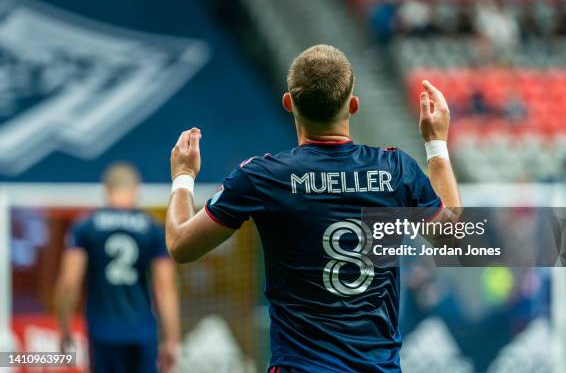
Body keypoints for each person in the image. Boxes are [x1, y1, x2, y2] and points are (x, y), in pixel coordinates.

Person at [165, 45, 461, 372]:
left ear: (289, 104)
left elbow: (180, 245)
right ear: (353, 106)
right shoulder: (394, 169)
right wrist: (436, 144)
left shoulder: (263, 177)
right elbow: (453, 239)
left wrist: (183, 176)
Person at [55, 163, 180, 373]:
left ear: (106, 190)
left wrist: (64, 328)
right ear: (136, 190)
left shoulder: (85, 227)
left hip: (102, 332)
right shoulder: (153, 229)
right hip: (142, 332)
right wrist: (171, 339)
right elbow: (165, 288)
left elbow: (69, 283)